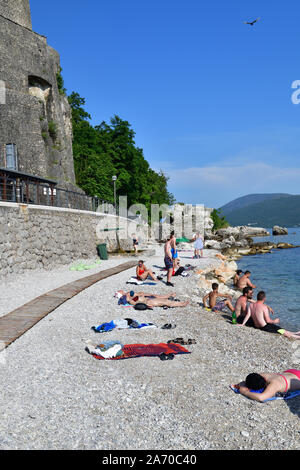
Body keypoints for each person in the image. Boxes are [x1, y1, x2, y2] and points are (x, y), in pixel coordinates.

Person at [230, 370, 300, 402]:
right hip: (292, 372)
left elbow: (261, 398)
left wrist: (245, 392)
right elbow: (247, 381)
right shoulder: (263, 376)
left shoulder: (274, 385)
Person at [115, 290, 189, 308]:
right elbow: (132, 302)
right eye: (120, 291)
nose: (122, 290)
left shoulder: (128, 297)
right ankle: (181, 304)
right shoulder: (127, 298)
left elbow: (136, 298)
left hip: (147, 300)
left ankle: (179, 303)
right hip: (148, 302)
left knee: (164, 301)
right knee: (165, 302)